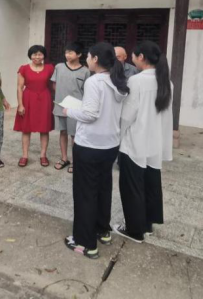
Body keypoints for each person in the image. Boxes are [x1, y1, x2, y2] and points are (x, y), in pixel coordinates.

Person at [63, 42, 129, 260]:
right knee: (103, 188)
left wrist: (69, 111)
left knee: (86, 193)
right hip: (110, 144)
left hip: (89, 145)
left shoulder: (94, 81)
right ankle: (102, 230)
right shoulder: (117, 81)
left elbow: (90, 114)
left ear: (96, 59)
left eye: (89, 57)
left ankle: (85, 242)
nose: (87, 60)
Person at [113, 41, 173, 243]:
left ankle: (134, 230)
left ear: (141, 57)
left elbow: (127, 116)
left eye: (133, 55)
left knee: (132, 187)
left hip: (135, 141)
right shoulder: (166, 82)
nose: (131, 59)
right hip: (154, 142)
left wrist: (117, 136)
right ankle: (147, 224)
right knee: (150, 184)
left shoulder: (137, 81)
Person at [51, 42, 90, 174]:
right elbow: (54, 85)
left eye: (70, 52)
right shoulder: (59, 67)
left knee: (74, 135)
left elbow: (86, 91)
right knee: (63, 132)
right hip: (60, 106)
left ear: (79, 54)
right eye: (66, 52)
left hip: (76, 109)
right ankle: (64, 158)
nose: (67, 55)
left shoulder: (85, 71)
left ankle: (75, 161)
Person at [14, 45, 55, 168]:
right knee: (26, 129)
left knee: (44, 129)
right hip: (28, 99)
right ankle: (24, 156)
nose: (37, 57)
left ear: (44, 56)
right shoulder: (24, 68)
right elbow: (19, 87)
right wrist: (20, 105)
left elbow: (53, 85)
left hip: (45, 99)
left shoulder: (50, 68)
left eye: (40, 54)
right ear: (30, 55)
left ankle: (43, 155)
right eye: (34, 54)